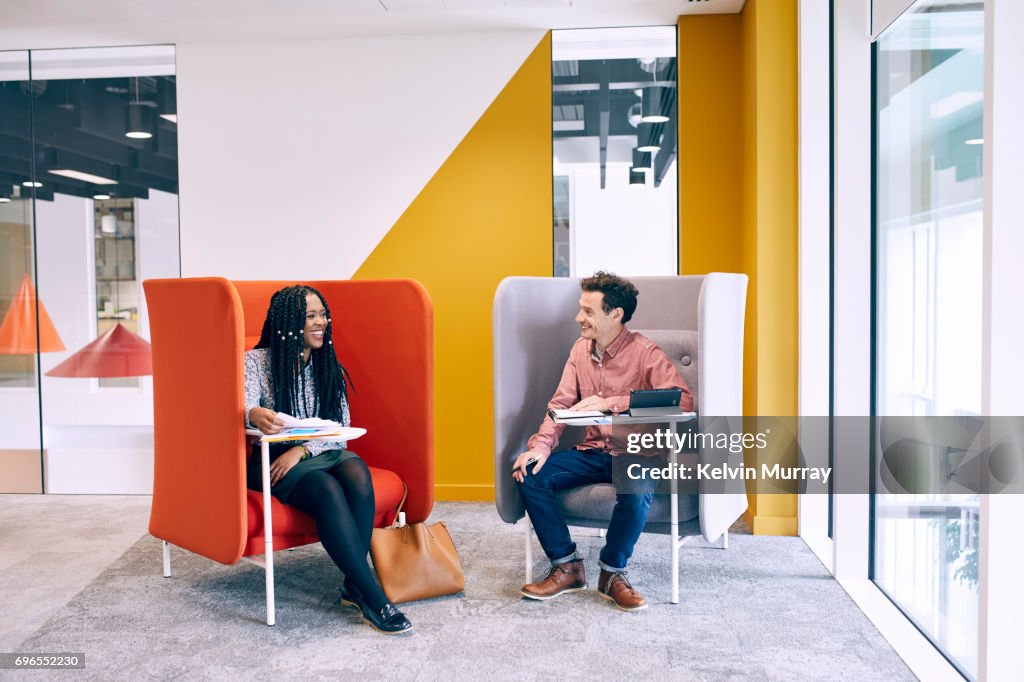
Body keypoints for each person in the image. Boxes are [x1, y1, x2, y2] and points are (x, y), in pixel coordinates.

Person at [512, 272, 692, 611]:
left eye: (588, 311)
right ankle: (567, 566)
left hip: (637, 452)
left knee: (635, 492)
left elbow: (682, 400)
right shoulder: (580, 351)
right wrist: (541, 446)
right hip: (594, 451)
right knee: (530, 473)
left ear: (616, 315)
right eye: (581, 309)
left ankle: (612, 573)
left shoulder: (645, 352)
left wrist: (614, 402)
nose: (579, 318)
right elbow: (560, 404)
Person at [245, 285, 412, 634]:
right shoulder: (256, 362)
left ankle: (355, 585)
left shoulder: (324, 364)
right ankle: (371, 595)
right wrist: (253, 413)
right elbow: (242, 409)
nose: (321, 322)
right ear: (288, 323)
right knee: (325, 488)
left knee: (356, 472)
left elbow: (342, 425)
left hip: (312, 451)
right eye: (311, 316)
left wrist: (302, 449)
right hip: (271, 459)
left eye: (323, 314)